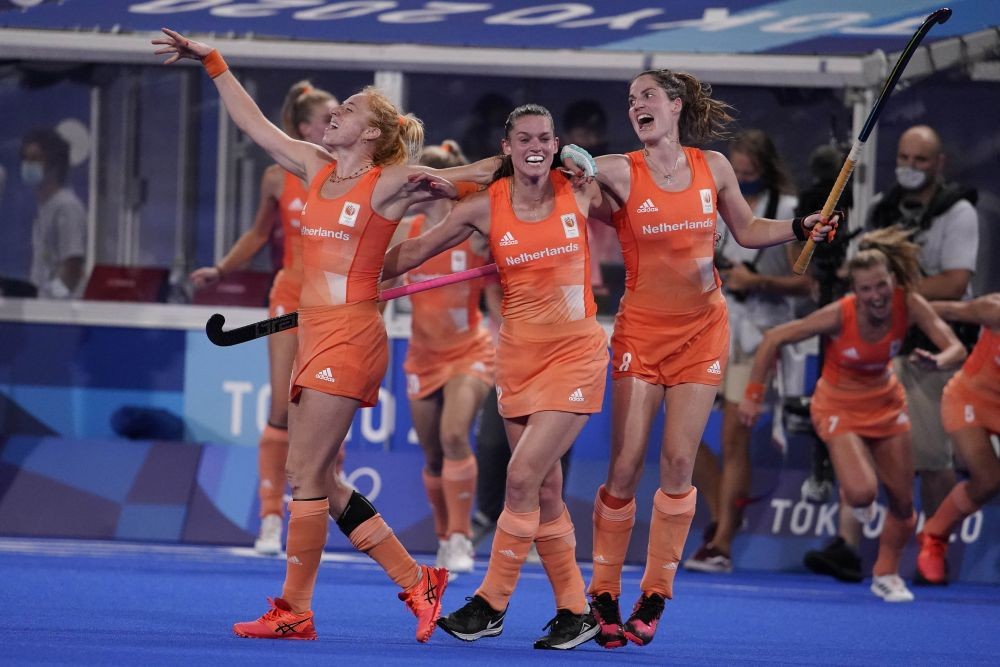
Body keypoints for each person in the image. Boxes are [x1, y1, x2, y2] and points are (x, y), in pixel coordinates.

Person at [153, 28, 498, 642]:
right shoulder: (313, 165)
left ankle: (296, 608)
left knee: (305, 475)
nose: (334, 113)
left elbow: (473, 173)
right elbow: (255, 125)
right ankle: (416, 581)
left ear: (371, 134)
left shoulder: (389, 181)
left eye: (349, 110)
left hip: (352, 336)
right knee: (318, 479)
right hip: (315, 334)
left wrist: (537, 162)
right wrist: (212, 62)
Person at [559, 69, 838, 648]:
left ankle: (656, 593)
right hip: (641, 332)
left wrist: (798, 226)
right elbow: (570, 165)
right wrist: (571, 158)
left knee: (680, 466)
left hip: (704, 329)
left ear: (676, 104)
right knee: (625, 468)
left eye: (649, 96)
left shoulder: (713, 166)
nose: (638, 104)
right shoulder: (617, 170)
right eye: (631, 99)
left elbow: (746, 228)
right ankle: (604, 591)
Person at [383, 104, 613, 650]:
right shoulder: (484, 209)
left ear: (556, 145)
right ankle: (575, 611)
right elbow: (415, 251)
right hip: (517, 358)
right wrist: (352, 264)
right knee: (546, 490)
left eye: (545, 139)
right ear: (506, 148)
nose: (536, 147)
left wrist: (589, 162)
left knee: (521, 476)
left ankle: (490, 601)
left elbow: (634, 186)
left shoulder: (580, 189)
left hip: (576, 353)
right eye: (524, 139)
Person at [739, 227, 966, 602]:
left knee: (903, 502)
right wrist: (753, 395)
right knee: (861, 493)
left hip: (887, 404)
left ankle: (886, 574)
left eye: (880, 286)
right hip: (836, 405)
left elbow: (955, 348)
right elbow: (773, 339)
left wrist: (937, 360)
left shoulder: (907, 302)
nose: (875, 296)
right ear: (855, 292)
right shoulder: (839, 314)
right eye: (866, 289)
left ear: (891, 280)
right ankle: (854, 490)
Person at [807, 124, 980, 583]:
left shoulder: (958, 212)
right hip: (876, 352)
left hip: (922, 353)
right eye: (904, 157)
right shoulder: (885, 206)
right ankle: (848, 545)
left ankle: (934, 547)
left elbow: (956, 281)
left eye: (921, 160)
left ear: (939, 164)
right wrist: (862, 280)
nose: (910, 167)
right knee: (855, 452)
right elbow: (859, 270)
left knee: (930, 460)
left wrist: (891, 290)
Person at [189, 80, 338, 556]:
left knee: (326, 411)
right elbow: (258, 235)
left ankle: (316, 509)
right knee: (281, 407)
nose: (333, 123)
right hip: (290, 295)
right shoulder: (278, 176)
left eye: (339, 115)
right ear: (303, 127)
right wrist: (221, 269)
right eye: (326, 117)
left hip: (333, 301)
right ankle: (271, 517)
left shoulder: (349, 173)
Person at [684, 129, 811, 574]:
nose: (743, 176)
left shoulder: (791, 212)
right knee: (684, 434)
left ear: (767, 167)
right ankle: (723, 519)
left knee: (734, 437)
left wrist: (758, 282)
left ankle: (721, 543)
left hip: (759, 337)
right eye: (736, 171)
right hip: (711, 326)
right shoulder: (714, 204)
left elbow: (808, 282)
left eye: (750, 171)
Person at [400, 140, 494, 575]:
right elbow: (378, 289)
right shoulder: (407, 232)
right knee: (434, 456)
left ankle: (460, 539)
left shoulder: (473, 233)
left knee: (456, 435)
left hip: (469, 352)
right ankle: (443, 538)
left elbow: (497, 297)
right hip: (422, 357)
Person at [916, 293, 1000, 584]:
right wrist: (901, 311)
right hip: (970, 399)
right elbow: (947, 309)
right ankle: (934, 536)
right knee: (988, 480)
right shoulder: (994, 310)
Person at [20, 128, 87, 299]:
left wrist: (51, 300)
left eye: (35, 160)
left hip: (60, 314)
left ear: (54, 164)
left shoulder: (66, 207)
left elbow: (73, 267)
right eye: (25, 159)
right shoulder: (44, 210)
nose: (28, 165)